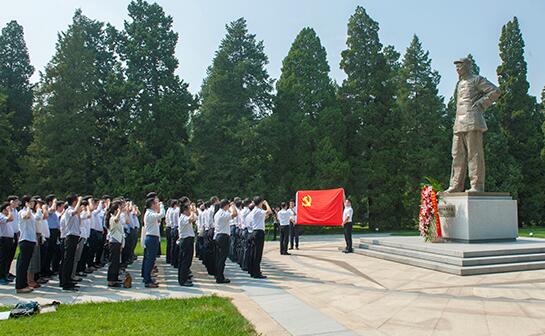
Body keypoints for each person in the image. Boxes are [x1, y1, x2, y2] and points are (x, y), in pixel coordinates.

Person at [60, 194, 82, 291]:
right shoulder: (69, 210)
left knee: (71, 260)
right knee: (67, 260)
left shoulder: (73, 211)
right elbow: (74, 211)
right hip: (70, 237)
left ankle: (68, 280)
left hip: (75, 236)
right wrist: (80, 201)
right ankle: (65, 282)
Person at [15, 196, 36, 293]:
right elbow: (26, 217)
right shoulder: (23, 211)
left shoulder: (30, 212)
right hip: (25, 240)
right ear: (27, 202)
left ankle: (24, 284)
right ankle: (19, 286)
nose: (33, 203)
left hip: (31, 240)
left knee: (26, 264)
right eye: (31, 202)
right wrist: (27, 207)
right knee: (22, 264)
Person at [142, 197, 165, 288]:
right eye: (156, 203)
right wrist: (162, 206)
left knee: (150, 260)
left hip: (152, 238)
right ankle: (147, 281)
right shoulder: (149, 214)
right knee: (150, 260)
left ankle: (147, 277)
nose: (157, 204)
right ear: (152, 204)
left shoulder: (151, 213)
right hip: (151, 238)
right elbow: (162, 214)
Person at [213, 199, 237, 284]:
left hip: (218, 236)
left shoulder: (217, 213)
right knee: (222, 258)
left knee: (219, 257)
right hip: (223, 237)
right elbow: (235, 214)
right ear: (226, 205)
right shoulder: (223, 213)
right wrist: (233, 206)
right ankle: (220, 277)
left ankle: (218, 275)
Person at [248, 196, 271, 279]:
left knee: (254, 253)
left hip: (255, 232)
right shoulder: (258, 210)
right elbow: (269, 211)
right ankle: (257, 272)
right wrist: (266, 204)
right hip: (259, 233)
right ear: (260, 203)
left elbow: (261, 219)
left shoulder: (255, 211)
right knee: (258, 254)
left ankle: (253, 271)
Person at [177, 203, 196, 286]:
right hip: (186, 240)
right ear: (185, 210)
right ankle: (182, 280)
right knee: (185, 261)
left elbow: (194, 218)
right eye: (188, 209)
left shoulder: (185, 217)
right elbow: (191, 219)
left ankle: (184, 278)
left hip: (188, 240)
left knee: (187, 261)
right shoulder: (183, 217)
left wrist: (192, 211)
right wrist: (192, 211)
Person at [106, 201, 124, 287]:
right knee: (113, 262)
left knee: (116, 262)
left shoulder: (116, 218)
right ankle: (111, 280)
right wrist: (119, 211)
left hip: (118, 242)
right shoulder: (112, 218)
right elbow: (116, 220)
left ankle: (115, 278)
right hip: (114, 242)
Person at [0, 202, 14, 285]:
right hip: (3, 239)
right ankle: (1, 277)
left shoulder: (6, 216)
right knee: (2, 259)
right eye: (8, 209)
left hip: (8, 239)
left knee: (7, 259)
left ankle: (5, 275)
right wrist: (9, 211)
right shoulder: (1, 215)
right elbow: (10, 218)